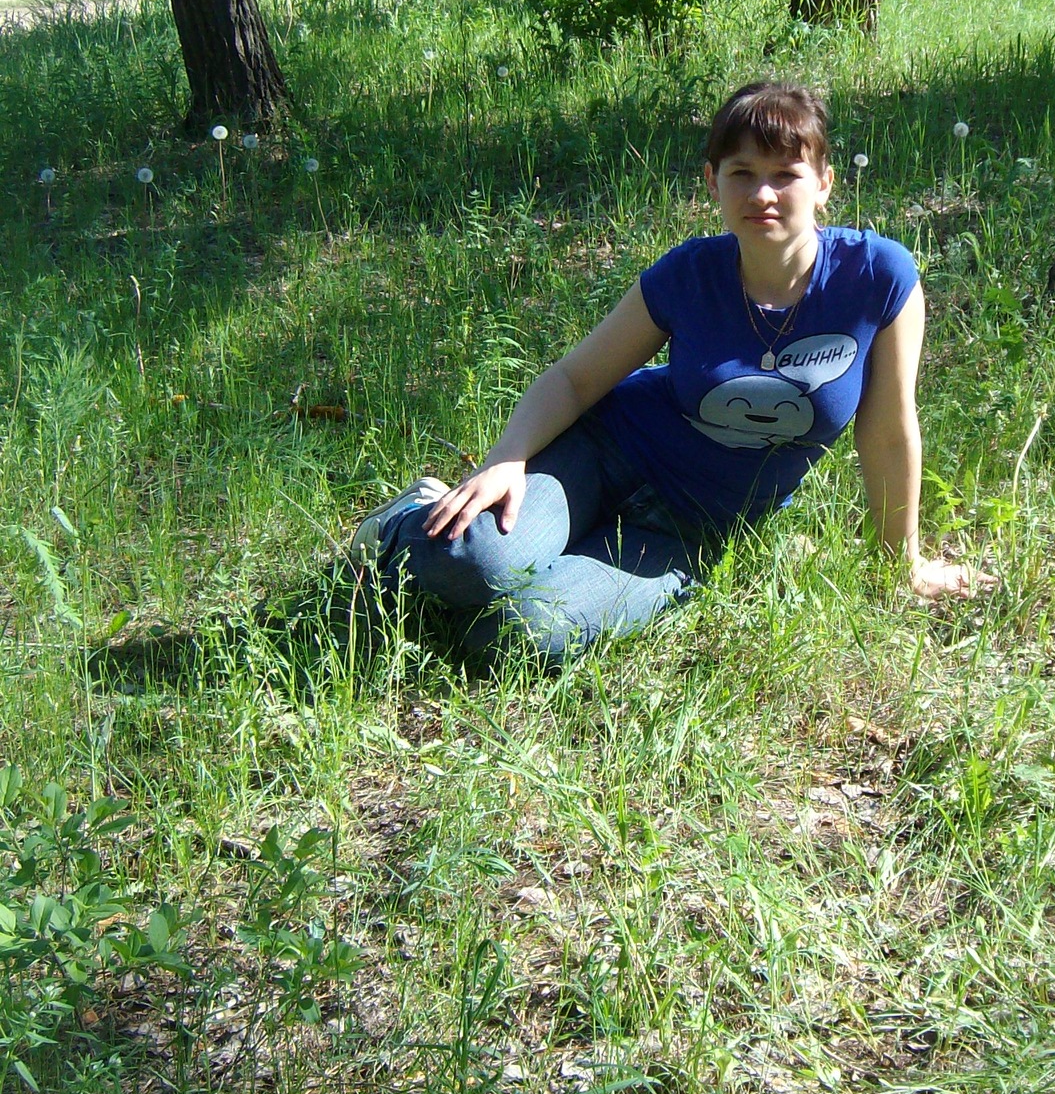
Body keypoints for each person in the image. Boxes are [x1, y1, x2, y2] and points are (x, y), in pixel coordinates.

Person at [350, 82, 973, 661]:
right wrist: (507, 458)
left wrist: (903, 565)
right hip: (605, 457)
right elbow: (575, 379)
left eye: (786, 174)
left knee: (522, 633)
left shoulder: (877, 278)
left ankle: (512, 574)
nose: (762, 194)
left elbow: (888, 433)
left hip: (694, 529)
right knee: (464, 560)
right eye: (742, 173)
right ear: (713, 182)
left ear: (824, 183)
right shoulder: (688, 274)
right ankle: (413, 517)